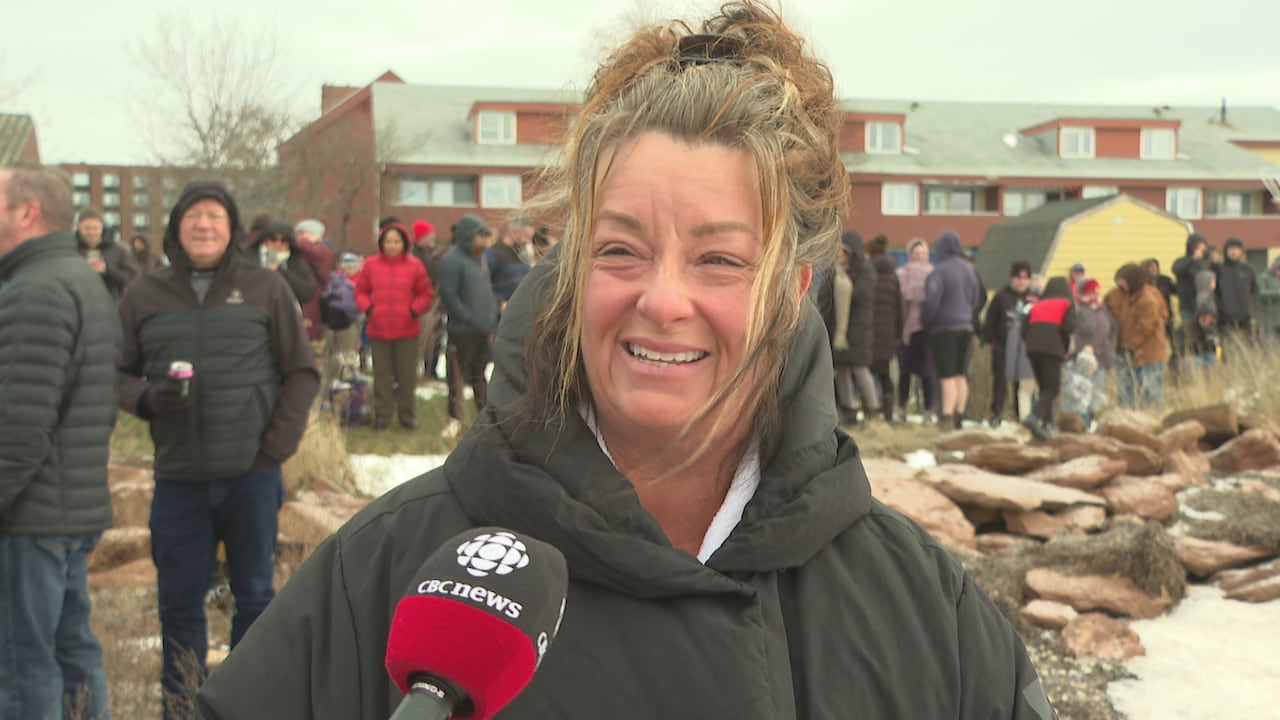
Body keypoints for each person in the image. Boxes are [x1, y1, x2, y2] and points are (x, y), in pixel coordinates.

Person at [195, 5, 1054, 718]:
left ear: (791, 291)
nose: (663, 299)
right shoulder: (389, 574)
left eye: (719, 259)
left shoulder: (920, 609)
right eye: (620, 250)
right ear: (571, 269)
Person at [116, 180, 318, 720]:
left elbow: (301, 372)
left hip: (250, 475)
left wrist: (274, 449)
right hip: (178, 477)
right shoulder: (144, 294)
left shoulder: (266, 288)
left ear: (232, 230)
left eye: (214, 217)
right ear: (175, 228)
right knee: (178, 604)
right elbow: (115, 374)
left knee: (254, 598)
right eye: (192, 217)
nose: (203, 225)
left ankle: (247, 708)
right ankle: (181, 708)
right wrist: (147, 398)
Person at [0, 163, 121, 720]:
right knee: (72, 649)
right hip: (66, 508)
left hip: (30, 518)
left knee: (22, 663)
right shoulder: (74, 277)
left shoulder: (36, 291)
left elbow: (19, 429)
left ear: (26, 212)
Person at [354, 221, 434, 430]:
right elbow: (360, 292)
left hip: (407, 330)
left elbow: (426, 294)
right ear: (381, 243)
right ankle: (382, 417)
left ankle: (407, 417)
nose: (392, 245)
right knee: (381, 377)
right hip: (378, 330)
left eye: (396, 241)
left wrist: (413, 311)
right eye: (388, 241)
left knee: (406, 376)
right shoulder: (371, 265)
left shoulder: (414, 265)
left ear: (404, 243)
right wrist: (370, 309)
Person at [435, 213, 500, 440]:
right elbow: (449, 295)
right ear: (468, 236)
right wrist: (466, 317)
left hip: (483, 329)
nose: (484, 239)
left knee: (480, 374)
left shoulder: (480, 258)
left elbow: (487, 290)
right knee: (457, 375)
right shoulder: (452, 259)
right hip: (462, 330)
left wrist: (491, 317)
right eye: (479, 235)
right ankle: (455, 418)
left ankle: (485, 416)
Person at [921, 229, 983, 430]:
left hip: (944, 329)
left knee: (946, 374)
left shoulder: (938, 272)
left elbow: (931, 302)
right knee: (960, 374)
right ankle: (959, 415)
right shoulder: (969, 270)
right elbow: (976, 299)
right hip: (966, 327)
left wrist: (926, 322)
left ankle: (946, 417)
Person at [819, 230, 878, 424]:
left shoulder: (865, 271)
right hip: (837, 332)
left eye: (843, 251)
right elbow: (823, 300)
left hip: (857, 330)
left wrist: (844, 285)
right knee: (842, 370)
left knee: (861, 370)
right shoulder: (832, 271)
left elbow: (863, 296)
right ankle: (849, 409)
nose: (839, 254)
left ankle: (872, 409)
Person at [1021, 277, 1076, 439]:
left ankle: (1046, 424)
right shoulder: (1066, 304)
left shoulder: (1037, 305)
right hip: (1052, 349)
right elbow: (1069, 327)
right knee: (1053, 388)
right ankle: (1035, 417)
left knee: (1044, 387)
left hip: (1032, 349)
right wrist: (1064, 348)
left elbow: (1024, 329)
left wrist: (1032, 343)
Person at [981, 261, 1033, 425]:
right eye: (1018, 278)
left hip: (1024, 348)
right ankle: (997, 413)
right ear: (1012, 278)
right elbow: (990, 320)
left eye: (1025, 279)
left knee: (1022, 383)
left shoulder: (1032, 299)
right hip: (1003, 346)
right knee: (1001, 381)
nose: (1021, 282)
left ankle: (1020, 414)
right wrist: (990, 340)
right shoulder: (1001, 297)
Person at [1113, 263, 1169, 408]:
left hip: (1149, 353)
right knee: (1129, 391)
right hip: (1131, 352)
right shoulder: (1127, 295)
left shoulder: (1148, 300)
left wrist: (1129, 346)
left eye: (1123, 282)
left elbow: (1144, 327)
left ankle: (1153, 419)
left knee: (1151, 392)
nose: (1120, 286)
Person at [895, 237, 935, 419]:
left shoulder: (934, 273)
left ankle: (928, 410)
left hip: (927, 329)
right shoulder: (901, 274)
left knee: (927, 372)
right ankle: (902, 408)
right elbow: (898, 302)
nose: (919, 256)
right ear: (909, 254)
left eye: (922, 253)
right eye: (915, 252)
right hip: (906, 328)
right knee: (905, 371)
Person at [1069, 278, 1117, 424]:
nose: (1095, 294)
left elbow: (1113, 329)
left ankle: (1091, 421)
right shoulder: (1077, 310)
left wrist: (1111, 347)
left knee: (1096, 392)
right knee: (1083, 393)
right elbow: (1072, 333)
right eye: (1091, 291)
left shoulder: (1103, 309)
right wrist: (1079, 350)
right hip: (1083, 360)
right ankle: (1080, 422)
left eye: (1096, 291)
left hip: (1102, 358)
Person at [868, 238, 903, 422]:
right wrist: (899, 333)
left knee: (867, 373)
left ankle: (871, 412)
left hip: (870, 333)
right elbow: (900, 308)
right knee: (885, 374)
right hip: (888, 335)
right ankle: (888, 412)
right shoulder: (893, 276)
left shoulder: (867, 272)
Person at [247, 221, 318, 305]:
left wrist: (280, 271)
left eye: (284, 240)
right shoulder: (248, 258)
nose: (278, 244)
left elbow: (307, 293)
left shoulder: (296, 262)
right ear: (265, 240)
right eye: (273, 239)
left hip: (284, 311)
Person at [410, 219, 447, 380]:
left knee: (437, 338)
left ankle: (431, 369)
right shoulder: (416, 256)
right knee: (425, 338)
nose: (433, 237)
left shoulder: (435, 254)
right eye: (429, 234)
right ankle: (421, 370)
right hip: (423, 303)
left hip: (436, 303)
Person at [75, 205, 136, 300]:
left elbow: (129, 278)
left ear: (102, 227)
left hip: (110, 303)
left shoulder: (118, 250)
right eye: (87, 228)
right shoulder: (71, 249)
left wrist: (107, 269)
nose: (91, 232)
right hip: (78, 302)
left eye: (95, 228)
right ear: (79, 227)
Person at [294, 218, 336, 352]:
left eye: (302, 233)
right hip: (307, 299)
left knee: (311, 337)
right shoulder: (311, 252)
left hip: (313, 301)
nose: (299, 237)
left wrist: (297, 238)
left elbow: (305, 246)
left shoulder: (322, 250)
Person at [485, 215, 535, 310]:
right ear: (515, 232)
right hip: (502, 314)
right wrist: (499, 302)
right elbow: (483, 284)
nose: (528, 242)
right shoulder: (493, 254)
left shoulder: (523, 255)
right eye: (527, 237)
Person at [1215, 236, 1259, 339]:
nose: (1234, 252)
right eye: (1231, 249)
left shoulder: (1247, 269)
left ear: (1241, 251)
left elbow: (1255, 290)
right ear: (1226, 250)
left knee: (1246, 346)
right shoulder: (1219, 269)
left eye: (1237, 249)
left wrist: (1251, 308)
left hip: (1245, 318)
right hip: (1225, 319)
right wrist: (1220, 309)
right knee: (1227, 346)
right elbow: (1214, 293)